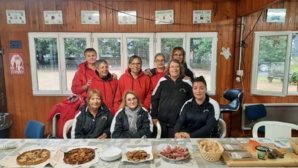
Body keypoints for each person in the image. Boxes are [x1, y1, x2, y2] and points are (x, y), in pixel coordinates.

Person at [151, 59, 193, 138]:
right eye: (172, 67)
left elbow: (193, 102)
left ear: (180, 69)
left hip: (178, 124)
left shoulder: (186, 82)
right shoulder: (162, 81)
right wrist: (154, 116)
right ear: (168, 69)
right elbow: (154, 99)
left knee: (175, 148)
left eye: (177, 67)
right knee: (161, 147)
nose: (175, 69)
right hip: (161, 122)